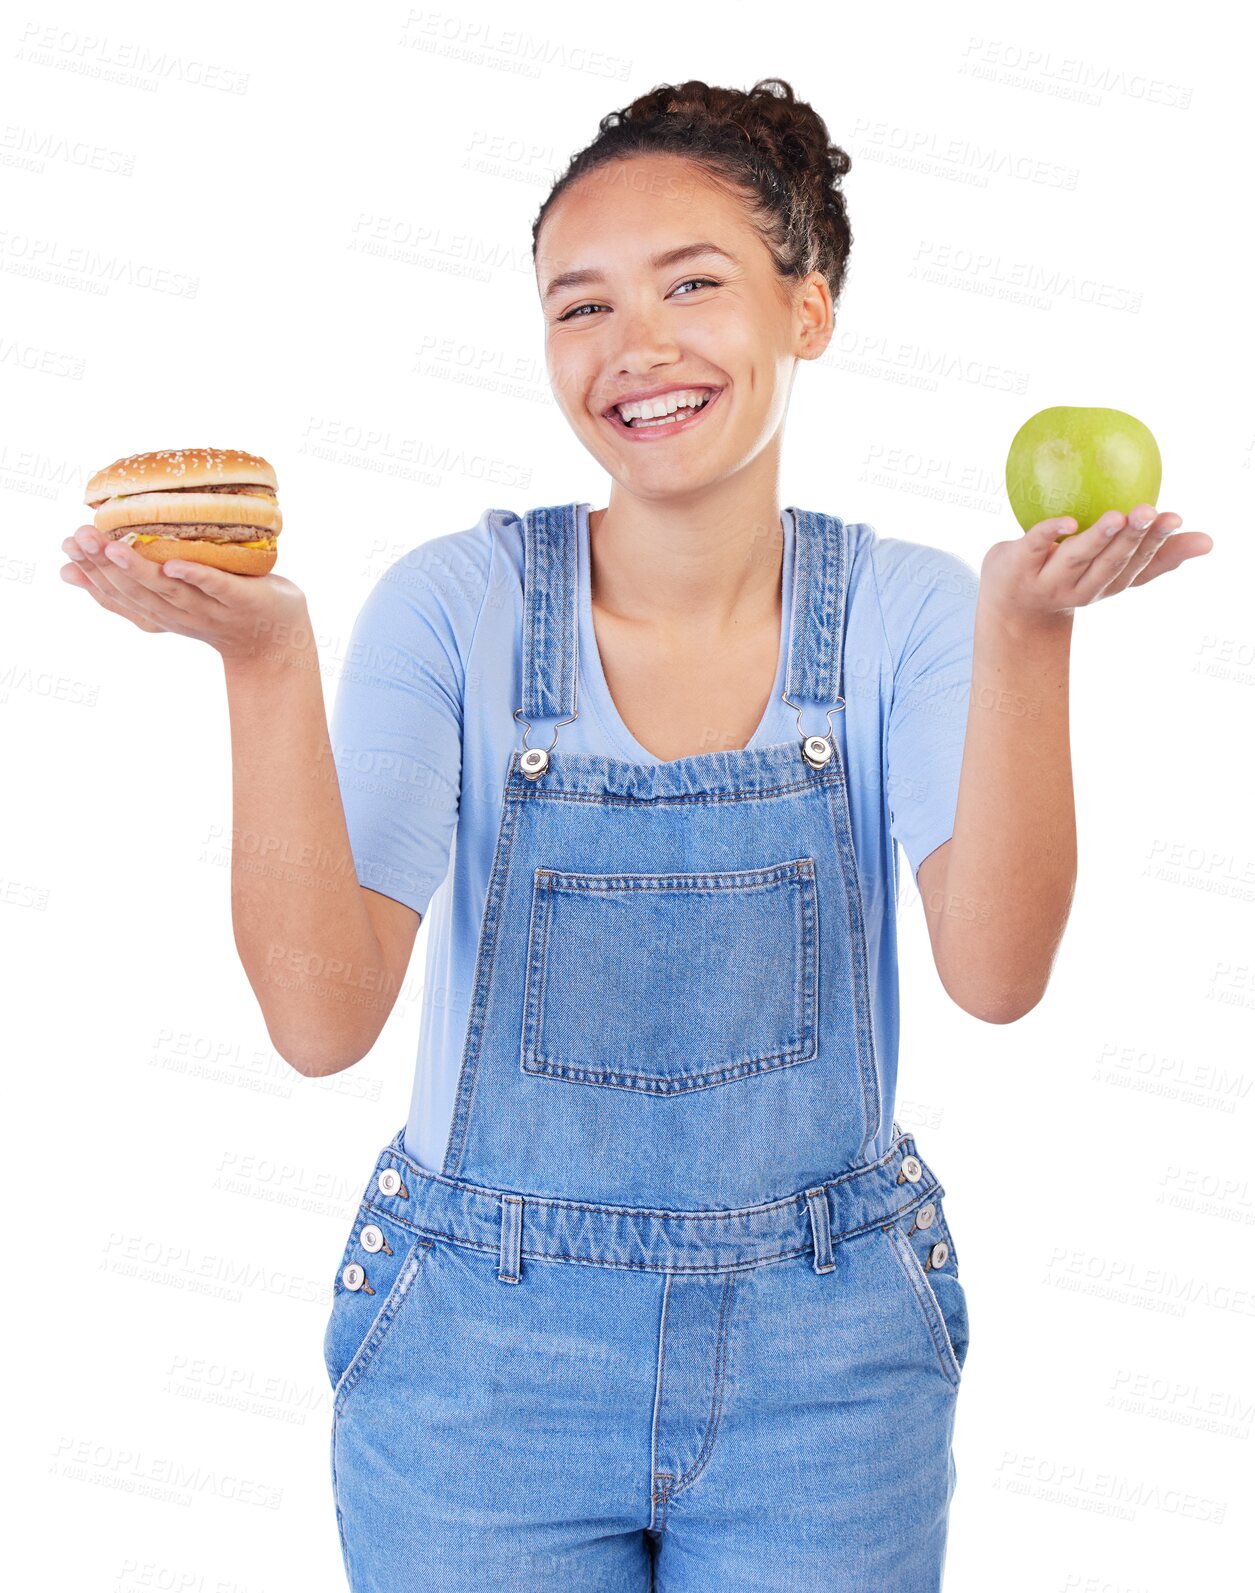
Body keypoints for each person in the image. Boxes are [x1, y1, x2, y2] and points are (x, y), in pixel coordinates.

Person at [61, 75, 1209, 1593]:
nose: (635, 345)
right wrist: (263, 664)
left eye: (693, 283)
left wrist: (1031, 635)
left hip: (830, 1363)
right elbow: (319, 1020)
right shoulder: (454, 607)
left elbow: (996, 974)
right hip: (480, 1359)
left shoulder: (920, 612)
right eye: (580, 305)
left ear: (810, 307)